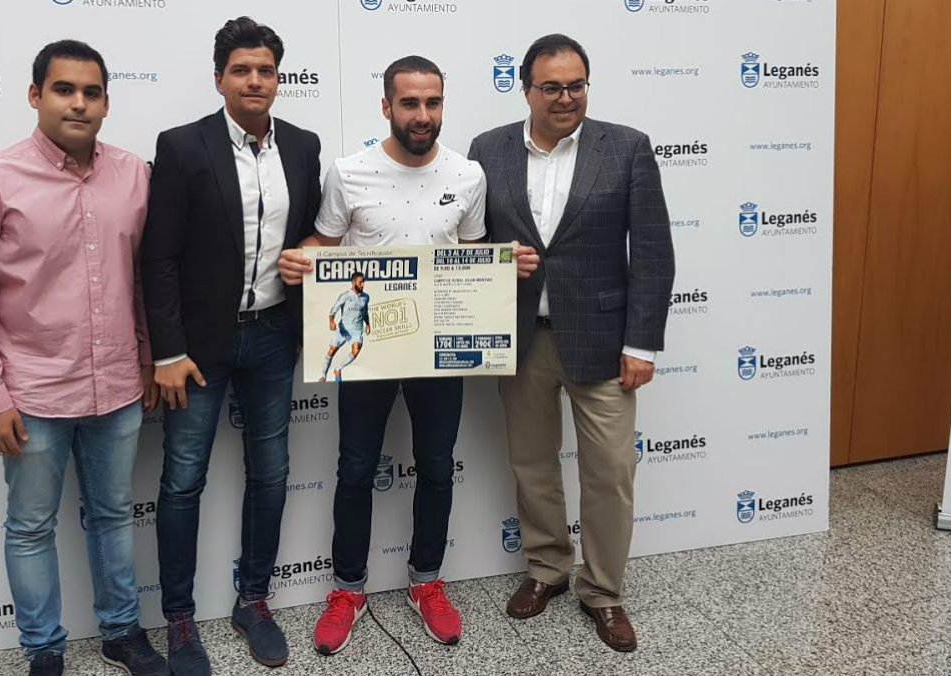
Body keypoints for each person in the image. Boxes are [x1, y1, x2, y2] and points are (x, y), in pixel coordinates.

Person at [279, 55, 529, 656]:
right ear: (387, 107)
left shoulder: (467, 175)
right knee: (355, 468)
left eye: (433, 103)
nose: (423, 115)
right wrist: (301, 257)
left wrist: (504, 264)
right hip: (365, 350)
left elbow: (472, 256)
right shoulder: (349, 172)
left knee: (438, 466)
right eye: (410, 103)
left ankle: (426, 581)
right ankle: (347, 589)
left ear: (443, 105)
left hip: (439, 349)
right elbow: (327, 243)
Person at [0, 40, 167, 676]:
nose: (79, 102)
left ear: (106, 102)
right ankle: (43, 648)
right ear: (35, 94)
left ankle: (122, 631)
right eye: (64, 89)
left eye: (91, 92)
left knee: (112, 515)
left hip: (119, 387)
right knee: (31, 526)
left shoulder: (134, 174)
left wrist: (149, 357)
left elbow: (147, 277)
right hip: (32, 394)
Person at [467, 33, 675, 652]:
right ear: (525, 88)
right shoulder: (488, 149)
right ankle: (548, 570)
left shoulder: (627, 148)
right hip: (523, 339)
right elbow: (474, 245)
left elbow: (655, 253)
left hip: (605, 343)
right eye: (552, 86)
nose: (566, 97)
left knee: (610, 472)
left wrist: (643, 344)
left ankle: (604, 592)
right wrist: (499, 259)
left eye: (576, 85)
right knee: (532, 466)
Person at [140, 16, 322, 672]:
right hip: (197, 348)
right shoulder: (184, 147)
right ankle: (181, 621)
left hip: (274, 337)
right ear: (219, 77)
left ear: (279, 78)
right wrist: (166, 351)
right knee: (183, 479)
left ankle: (253, 601)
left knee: (270, 474)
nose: (254, 79)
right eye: (241, 69)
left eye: (265, 69)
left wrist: (307, 255)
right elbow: (158, 258)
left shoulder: (303, 147)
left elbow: (310, 237)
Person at [320, 273, 371, 381]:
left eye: (363, 282)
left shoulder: (365, 297)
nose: (362, 285)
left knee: (356, 350)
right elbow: (333, 310)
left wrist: (368, 324)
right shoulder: (345, 296)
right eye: (360, 282)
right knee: (331, 351)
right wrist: (331, 321)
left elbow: (365, 312)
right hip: (343, 329)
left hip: (356, 330)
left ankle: (338, 369)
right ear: (353, 282)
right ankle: (323, 375)